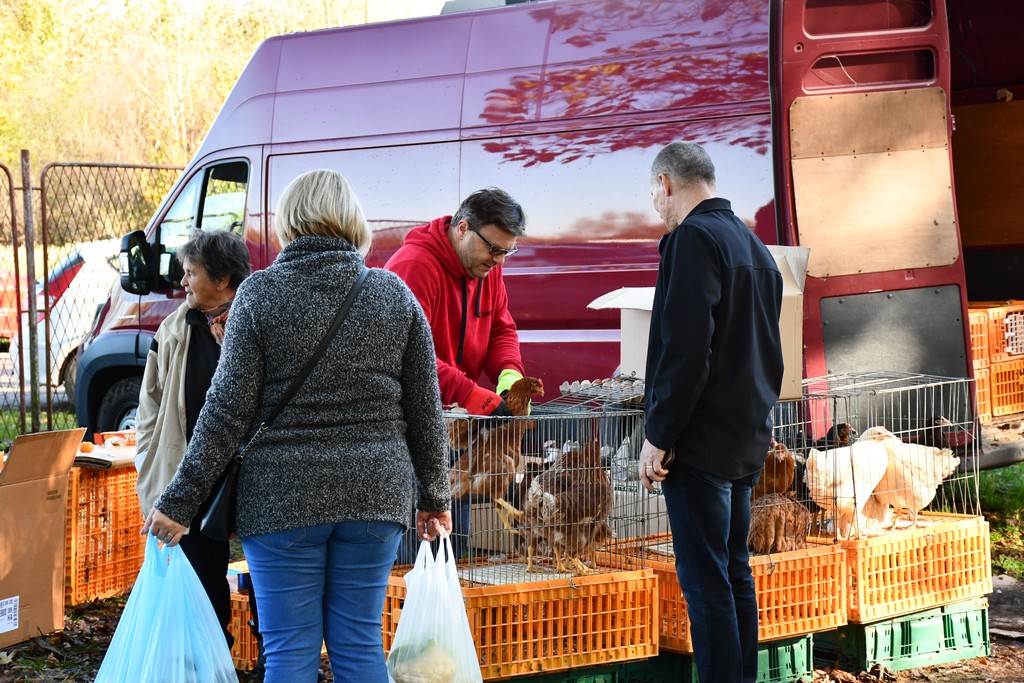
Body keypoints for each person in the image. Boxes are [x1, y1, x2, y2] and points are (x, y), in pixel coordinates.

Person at [142, 169, 452, 683]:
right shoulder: (393, 295)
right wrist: (434, 497)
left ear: (288, 221)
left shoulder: (259, 296)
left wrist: (179, 502)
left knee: (289, 651)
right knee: (359, 644)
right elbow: (425, 409)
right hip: (374, 498)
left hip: (280, 502)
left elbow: (225, 411)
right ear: (353, 222)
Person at [638, 141, 784, 683]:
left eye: (653, 192)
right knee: (734, 574)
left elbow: (685, 349)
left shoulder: (692, 239)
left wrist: (659, 432)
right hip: (743, 438)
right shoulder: (752, 243)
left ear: (668, 183)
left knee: (705, 582)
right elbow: (770, 350)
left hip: (697, 443)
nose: (655, 204)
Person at [384, 187, 527, 560]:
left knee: (452, 548)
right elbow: (406, 356)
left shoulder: (486, 270)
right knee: (416, 553)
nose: (498, 260)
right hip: (408, 432)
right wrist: (469, 393)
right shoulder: (413, 266)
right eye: (494, 249)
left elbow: (500, 329)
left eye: (507, 252)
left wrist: (510, 374)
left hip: (454, 429)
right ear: (463, 228)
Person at [134, 228, 251, 650]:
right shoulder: (175, 327)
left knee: (264, 568)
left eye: (191, 273)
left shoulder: (254, 321)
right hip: (193, 472)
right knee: (202, 568)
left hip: (252, 474)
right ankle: (206, 654)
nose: (182, 282)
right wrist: (148, 458)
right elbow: (150, 403)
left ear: (222, 279)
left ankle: (267, 651)